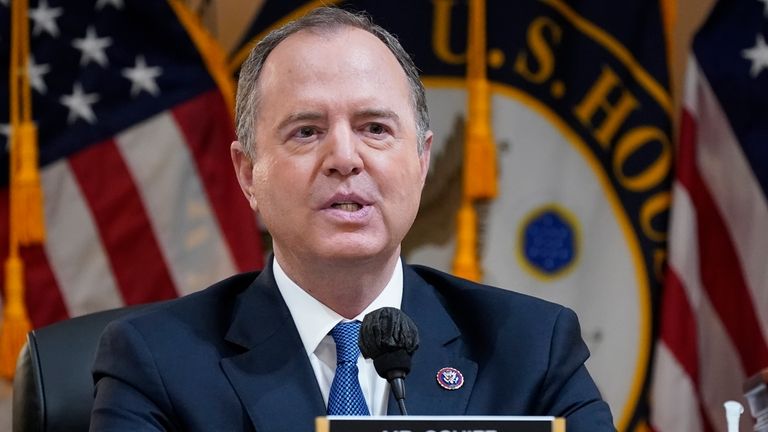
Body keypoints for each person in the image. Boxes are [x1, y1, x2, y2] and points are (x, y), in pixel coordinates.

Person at [90, 7, 615, 432]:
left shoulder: (531, 348)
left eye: (375, 128)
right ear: (248, 174)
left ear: (422, 161)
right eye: (306, 131)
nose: (345, 157)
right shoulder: (154, 362)